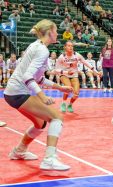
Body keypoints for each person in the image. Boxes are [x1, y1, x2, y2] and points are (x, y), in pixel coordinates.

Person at [4, 19, 73, 170]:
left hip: (12, 93)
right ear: (49, 32)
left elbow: (38, 77)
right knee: (57, 117)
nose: (57, 34)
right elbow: (28, 76)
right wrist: (42, 97)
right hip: (18, 92)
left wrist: (59, 87)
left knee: (40, 123)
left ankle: (19, 151)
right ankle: (49, 158)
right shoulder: (43, 50)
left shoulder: (36, 45)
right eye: (55, 31)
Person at [55, 41, 97, 113]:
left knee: (76, 93)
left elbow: (85, 62)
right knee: (68, 87)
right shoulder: (61, 57)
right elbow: (56, 70)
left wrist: (95, 71)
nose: (71, 47)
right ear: (65, 47)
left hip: (74, 75)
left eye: (72, 46)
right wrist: (66, 72)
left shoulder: (77, 55)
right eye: (69, 46)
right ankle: (63, 103)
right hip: (64, 74)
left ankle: (70, 105)